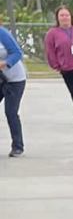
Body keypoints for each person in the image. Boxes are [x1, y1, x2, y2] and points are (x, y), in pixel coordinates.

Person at [0, 24, 26, 157]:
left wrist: (3, 64)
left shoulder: (2, 33)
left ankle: (17, 146)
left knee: (10, 111)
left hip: (15, 79)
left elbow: (16, 53)